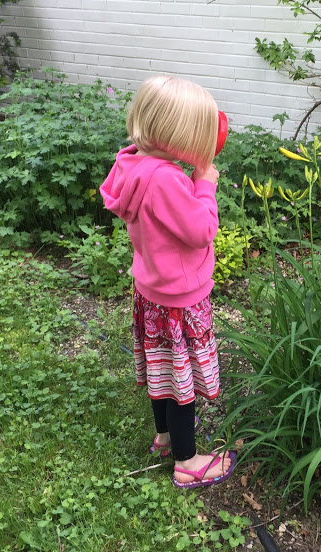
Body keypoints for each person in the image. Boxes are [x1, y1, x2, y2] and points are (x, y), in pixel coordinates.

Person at [99, 75, 234, 489]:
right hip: (179, 299)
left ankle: (164, 436)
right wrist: (204, 184)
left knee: (161, 371)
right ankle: (188, 461)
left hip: (151, 291)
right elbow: (200, 231)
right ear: (178, 137)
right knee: (182, 382)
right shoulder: (168, 180)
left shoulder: (131, 162)